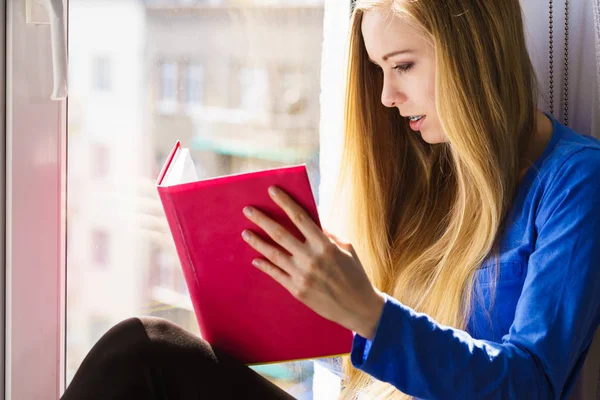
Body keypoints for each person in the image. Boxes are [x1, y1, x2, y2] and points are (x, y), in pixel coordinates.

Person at [61, 0, 600, 399]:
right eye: (380, 70)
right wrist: (299, 299)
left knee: (142, 357)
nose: (388, 96)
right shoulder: (433, 170)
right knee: (145, 351)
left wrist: (370, 313)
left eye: (403, 65)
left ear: (472, 51)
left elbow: (530, 383)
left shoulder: (574, 180)